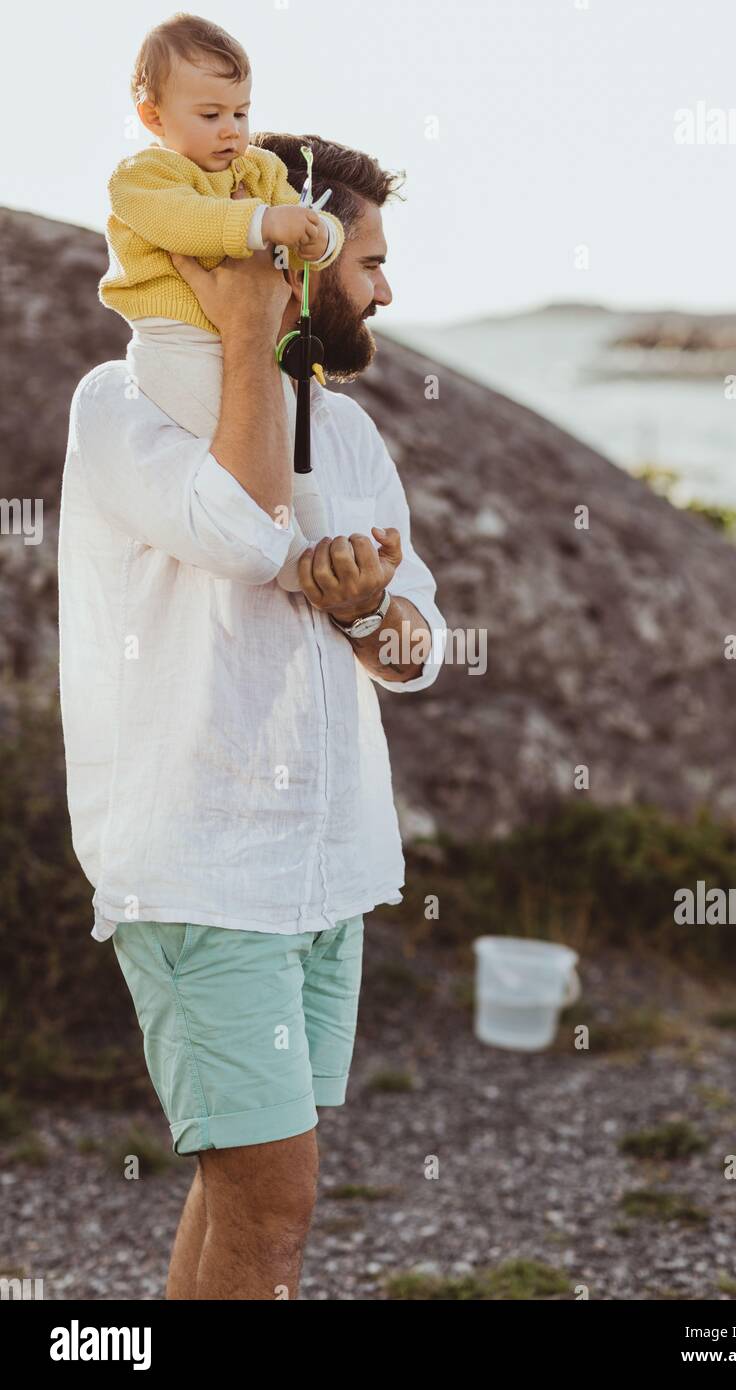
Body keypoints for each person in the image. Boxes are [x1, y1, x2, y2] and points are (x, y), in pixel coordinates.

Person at [57, 131, 448, 1299]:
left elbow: (417, 649)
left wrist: (372, 609)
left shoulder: (354, 432)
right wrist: (241, 327)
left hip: (329, 871)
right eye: (364, 259)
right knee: (275, 1208)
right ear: (297, 251)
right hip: (203, 873)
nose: (385, 288)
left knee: (239, 1190)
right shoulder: (120, 403)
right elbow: (239, 529)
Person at [99, 13, 347, 588]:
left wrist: (320, 236)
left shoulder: (256, 169)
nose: (230, 130)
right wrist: (264, 222)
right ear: (152, 116)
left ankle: (317, 550)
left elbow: (303, 225)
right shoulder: (145, 177)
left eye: (241, 112)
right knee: (231, 440)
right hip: (175, 342)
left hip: (246, 340)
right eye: (210, 116)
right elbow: (188, 223)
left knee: (281, 434)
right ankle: (286, 562)